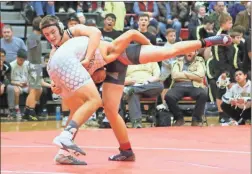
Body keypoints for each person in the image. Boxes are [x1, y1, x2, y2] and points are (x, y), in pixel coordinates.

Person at [40, 15, 232, 164]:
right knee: (110, 110)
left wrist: (149, 48)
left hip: (117, 54)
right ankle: (126, 151)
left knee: (167, 51)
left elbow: (116, 34)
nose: (50, 37)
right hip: (106, 66)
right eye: (46, 35)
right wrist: (58, 86)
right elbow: (63, 76)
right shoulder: (56, 53)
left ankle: (210, 40)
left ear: (60, 27)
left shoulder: (74, 31)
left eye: (52, 32)